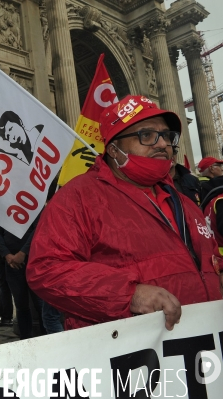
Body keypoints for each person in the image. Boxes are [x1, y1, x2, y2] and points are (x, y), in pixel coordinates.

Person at [27, 95, 223, 331]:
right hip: (128, 353)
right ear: (114, 149)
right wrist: (129, 295)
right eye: (147, 135)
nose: (162, 144)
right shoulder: (77, 198)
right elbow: (46, 270)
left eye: (167, 136)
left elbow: (210, 259)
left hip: (200, 342)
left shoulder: (185, 203)